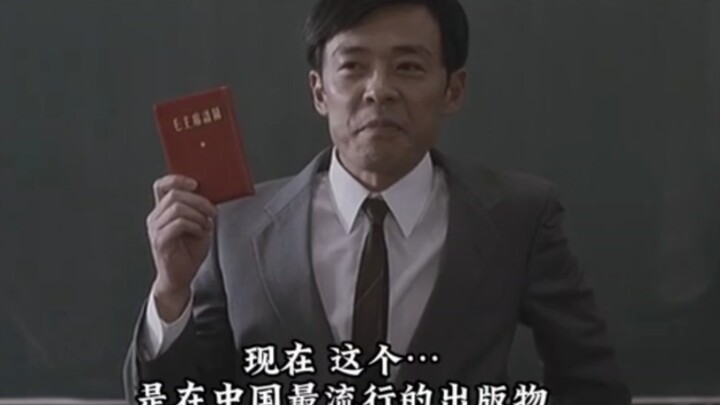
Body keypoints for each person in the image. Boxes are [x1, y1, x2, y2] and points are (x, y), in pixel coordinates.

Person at [123, 0, 631, 403]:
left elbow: (592, 385)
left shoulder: (518, 217)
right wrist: (171, 293)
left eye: (408, 67)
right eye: (353, 66)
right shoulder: (236, 226)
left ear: (453, 90)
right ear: (319, 91)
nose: (378, 91)